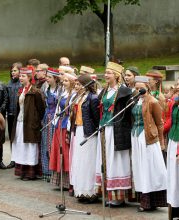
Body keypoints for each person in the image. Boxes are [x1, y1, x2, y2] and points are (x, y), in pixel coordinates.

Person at [96, 62, 133, 207]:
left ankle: (118, 196)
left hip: (116, 129)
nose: (105, 75)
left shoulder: (124, 91)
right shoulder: (105, 90)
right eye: (105, 73)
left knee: (115, 159)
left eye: (109, 73)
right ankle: (108, 193)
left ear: (117, 76)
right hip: (104, 127)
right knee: (105, 159)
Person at [131, 75, 167, 212]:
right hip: (136, 137)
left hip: (148, 139)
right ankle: (143, 199)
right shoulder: (135, 101)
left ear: (147, 87)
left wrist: (162, 143)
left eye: (141, 88)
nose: (139, 90)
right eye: (136, 88)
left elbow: (159, 124)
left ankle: (149, 201)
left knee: (148, 169)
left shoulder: (153, 101)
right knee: (140, 168)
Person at [11, 67, 45, 180]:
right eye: (20, 76)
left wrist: (35, 120)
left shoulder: (35, 92)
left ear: (29, 77)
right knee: (21, 145)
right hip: (20, 122)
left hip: (30, 124)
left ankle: (31, 172)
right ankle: (22, 171)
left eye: (23, 76)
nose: (20, 78)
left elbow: (41, 109)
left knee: (30, 146)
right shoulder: (21, 90)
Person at [70, 75, 100, 203]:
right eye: (76, 84)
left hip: (89, 132)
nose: (77, 86)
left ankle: (90, 192)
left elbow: (96, 117)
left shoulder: (93, 98)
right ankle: (80, 190)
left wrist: (93, 132)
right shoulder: (79, 97)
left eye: (79, 84)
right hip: (79, 129)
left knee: (88, 162)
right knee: (80, 161)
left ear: (85, 85)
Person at [49, 71, 77, 190]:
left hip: (66, 124)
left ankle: (67, 181)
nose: (63, 82)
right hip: (59, 124)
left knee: (65, 151)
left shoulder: (73, 95)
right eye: (63, 80)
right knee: (58, 150)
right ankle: (59, 180)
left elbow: (71, 112)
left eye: (66, 81)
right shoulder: (63, 93)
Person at [41, 68, 60, 181]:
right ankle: (46, 171)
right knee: (45, 145)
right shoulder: (46, 88)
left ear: (55, 78)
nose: (47, 79)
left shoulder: (60, 90)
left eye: (49, 77)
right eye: (47, 77)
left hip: (55, 119)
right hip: (47, 118)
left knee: (53, 145)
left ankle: (54, 171)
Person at [167, 78, 179, 219]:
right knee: (174, 178)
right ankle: (176, 209)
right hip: (173, 140)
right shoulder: (176, 101)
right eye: (176, 84)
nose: (177, 86)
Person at [6, 62, 22, 169]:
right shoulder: (9, 84)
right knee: (12, 138)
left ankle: (20, 159)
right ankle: (13, 159)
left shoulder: (21, 84)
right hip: (11, 114)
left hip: (19, 115)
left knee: (19, 137)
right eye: (12, 71)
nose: (13, 72)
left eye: (15, 70)